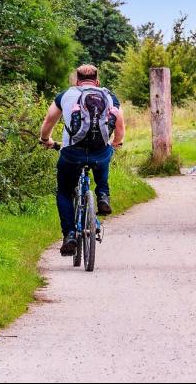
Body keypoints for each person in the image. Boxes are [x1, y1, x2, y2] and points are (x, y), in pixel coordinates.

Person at [40, 64, 125, 256]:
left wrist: (46, 139)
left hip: (72, 153)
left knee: (63, 191)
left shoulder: (66, 95)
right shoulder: (109, 97)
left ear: (76, 80)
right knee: (105, 156)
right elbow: (119, 127)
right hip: (99, 152)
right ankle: (102, 195)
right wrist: (115, 144)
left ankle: (69, 234)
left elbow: (48, 122)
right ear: (97, 80)